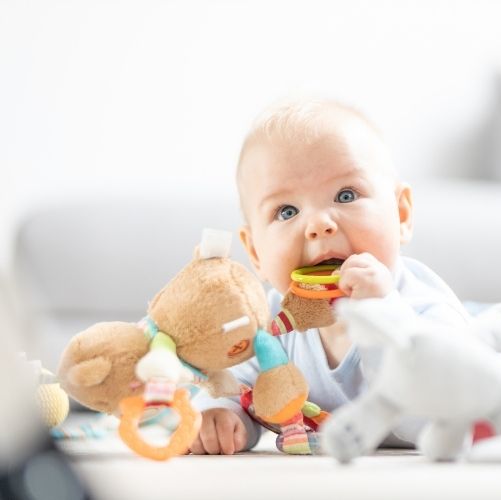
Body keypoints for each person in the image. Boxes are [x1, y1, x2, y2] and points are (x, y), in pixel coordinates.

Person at [188, 99, 472, 455]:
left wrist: (383, 319)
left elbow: (439, 420)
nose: (319, 224)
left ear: (401, 215)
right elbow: (235, 388)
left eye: (346, 194)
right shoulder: (272, 326)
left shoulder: (426, 308)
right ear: (256, 253)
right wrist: (222, 416)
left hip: (488, 331)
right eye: (286, 211)